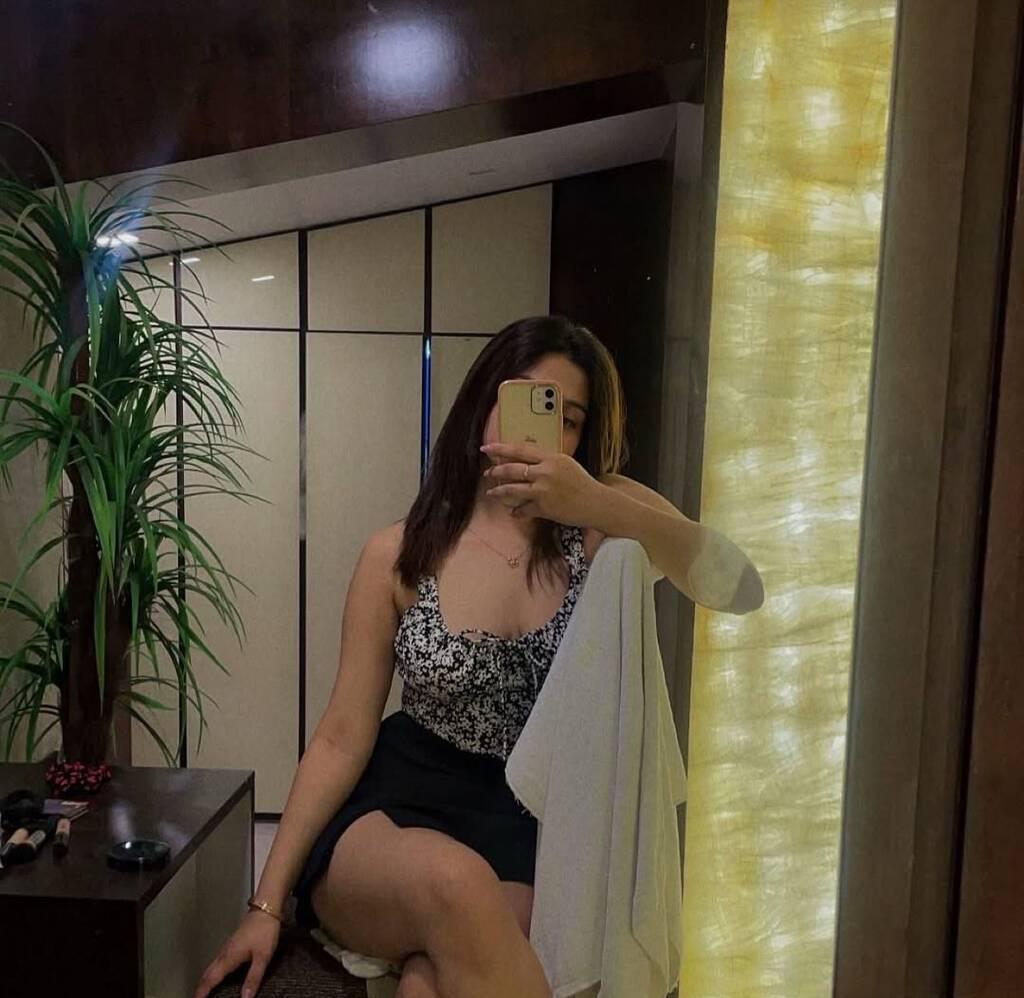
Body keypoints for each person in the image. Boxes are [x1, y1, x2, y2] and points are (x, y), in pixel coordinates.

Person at [194, 315, 763, 998]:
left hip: (524, 825)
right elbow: (342, 737)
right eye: (526, 400)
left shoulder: (600, 524)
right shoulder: (398, 553)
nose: (544, 430)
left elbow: (740, 587)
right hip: (392, 814)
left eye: (569, 420)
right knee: (456, 883)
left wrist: (594, 500)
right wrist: (265, 905)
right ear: (483, 402)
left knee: (427, 986)